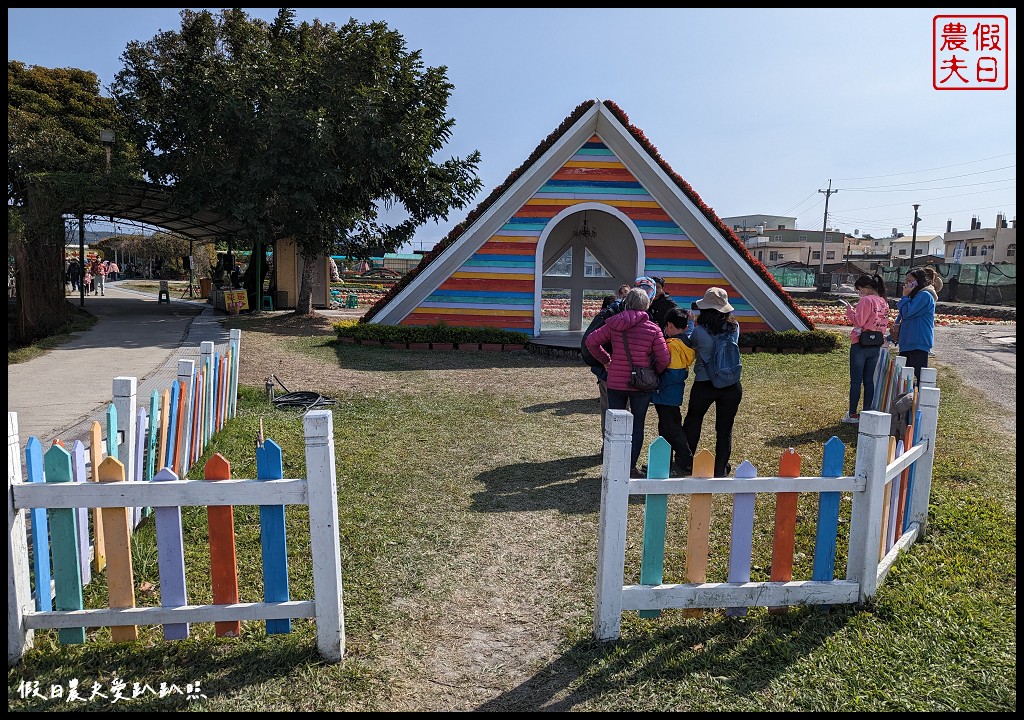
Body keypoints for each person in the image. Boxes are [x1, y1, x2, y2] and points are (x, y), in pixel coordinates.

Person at [585, 286, 670, 478]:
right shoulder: (653, 328)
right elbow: (664, 358)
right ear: (646, 304)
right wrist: (652, 371)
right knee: (637, 425)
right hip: (642, 384)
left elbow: (591, 342)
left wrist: (606, 361)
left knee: (615, 424)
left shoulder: (613, 324)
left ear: (626, 303)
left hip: (615, 381)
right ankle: (630, 468)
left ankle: (613, 463)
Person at [681, 287, 742, 478]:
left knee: (693, 420)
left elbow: (690, 344)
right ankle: (721, 467)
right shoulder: (735, 327)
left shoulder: (699, 332)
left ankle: (686, 462)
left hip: (705, 383)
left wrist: (690, 324)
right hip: (731, 384)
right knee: (724, 429)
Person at [839, 274, 890, 424]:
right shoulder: (883, 302)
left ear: (866, 288)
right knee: (869, 380)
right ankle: (867, 411)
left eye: (859, 289)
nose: (859, 293)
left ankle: (853, 414)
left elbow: (858, 322)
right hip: (875, 344)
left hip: (860, 344)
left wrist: (850, 311)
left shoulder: (865, 301)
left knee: (856, 381)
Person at [651, 307, 696, 475]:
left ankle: (687, 459)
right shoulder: (685, 342)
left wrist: (656, 385)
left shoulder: (672, 345)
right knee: (666, 429)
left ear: (669, 325)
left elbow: (673, 373)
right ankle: (665, 463)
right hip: (673, 394)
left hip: (666, 394)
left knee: (671, 429)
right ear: (685, 327)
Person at [895, 267, 935, 382]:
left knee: (919, 377)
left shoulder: (925, 296)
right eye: (905, 281)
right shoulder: (915, 296)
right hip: (907, 342)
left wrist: (904, 297)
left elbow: (907, 313)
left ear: (918, 281)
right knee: (904, 378)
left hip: (917, 343)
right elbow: (902, 316)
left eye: (910, 281)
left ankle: (917, 399)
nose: (906, 284)